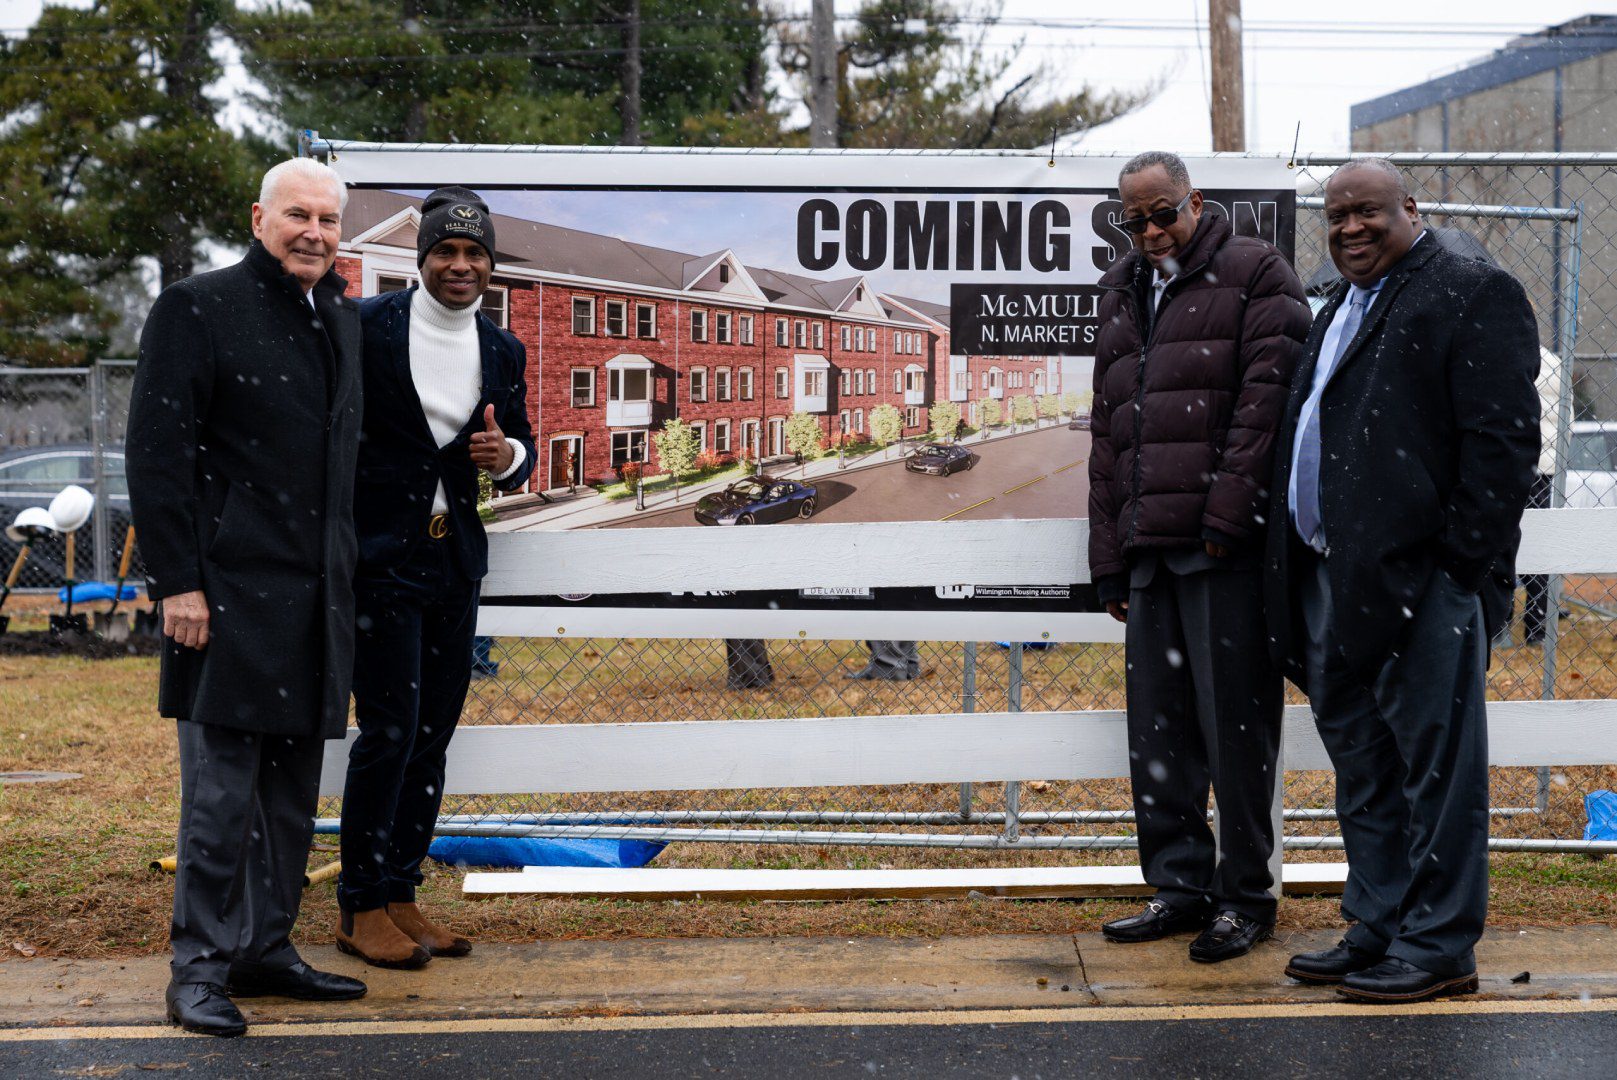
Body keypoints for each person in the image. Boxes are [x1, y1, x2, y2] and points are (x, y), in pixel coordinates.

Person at [1264, 159, 1539, 1003]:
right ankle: (1378, 923)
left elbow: (1502, 446)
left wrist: (1458, 569)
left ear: (1409, 209)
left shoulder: (1466, 290)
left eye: (1367, 212)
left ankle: (1438, 945)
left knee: (1436, 772)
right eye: (1336, 214)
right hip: (1334, 581)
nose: (1349, 227)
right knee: (1364, 763)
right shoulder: (1341, 305)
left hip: (1423, 588)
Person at [127, 158, 366, 1037]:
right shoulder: (199, 306)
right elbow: (155, 456)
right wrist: (178, 582)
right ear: (258, 218)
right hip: (223, 595)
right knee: (221, 799)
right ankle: (197, 970)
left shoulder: (338, 317)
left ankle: (265, 950)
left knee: (290, 796)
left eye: (329, 220)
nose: (314, 232)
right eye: (297, 215)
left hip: (316, 602)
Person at [1087, 151, 1309, 962]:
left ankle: (1244, 896)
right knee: (1160, 735)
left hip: (1224, 554)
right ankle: (1178, 888)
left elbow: (1268, 405)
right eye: (1133, 219)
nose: (1149, 231)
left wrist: (1225, 519)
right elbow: (1109, 432)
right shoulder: (1119, 288)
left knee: (1235, 729)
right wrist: (1108, 555)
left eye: (1162, 213)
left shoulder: (1255, 271)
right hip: (1147, 553)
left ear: (1196, 202)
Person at [337, 187, 536, 968]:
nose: (460, 265)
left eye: (474, 253)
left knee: (432, 735)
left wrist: (509, 457)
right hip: (378, 559)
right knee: (387, 731)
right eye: (446, 252)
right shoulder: (364, 327)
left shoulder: (502, 348)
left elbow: (517, 440)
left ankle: (400, 892)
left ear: (489, 265)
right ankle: (357, 906)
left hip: (453, 560)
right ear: (421, 259)